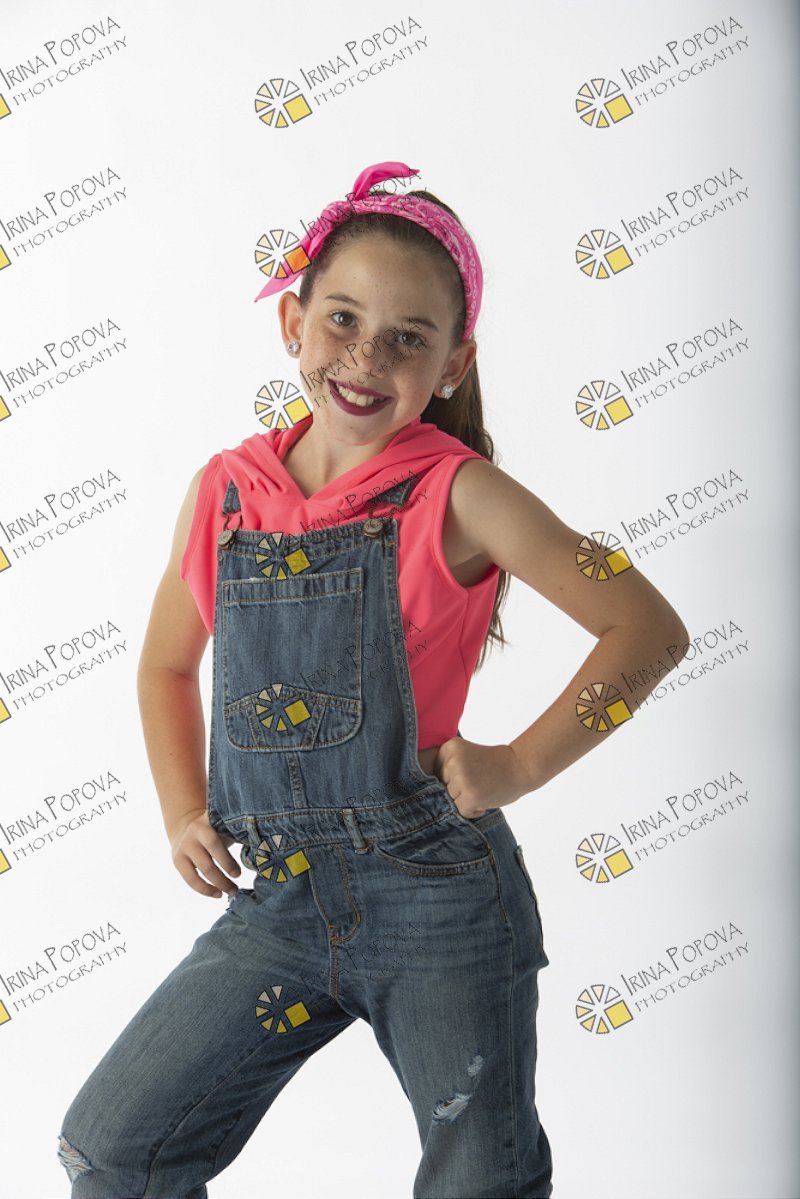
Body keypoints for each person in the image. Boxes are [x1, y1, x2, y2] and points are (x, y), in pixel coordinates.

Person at [56, 160, 689, 1198]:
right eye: (342, 319)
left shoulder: (463, 493)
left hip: (438, 899)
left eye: (407, 338)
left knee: (475, 1180)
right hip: (280, 897)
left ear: (452, 362)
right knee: (115, 1147)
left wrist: (519, 763)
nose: (365, 357)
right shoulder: (225, 492)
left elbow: (648, 628)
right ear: (292, 323)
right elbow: (167, 662)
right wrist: (181, 810)